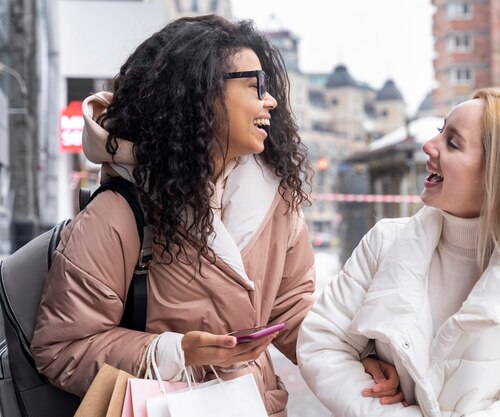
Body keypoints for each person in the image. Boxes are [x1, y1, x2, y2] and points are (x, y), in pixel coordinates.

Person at [31, 15, 402, 416]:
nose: (271, 100)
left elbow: (293, 311)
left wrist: (353, 356)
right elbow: (61, 347)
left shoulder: (276, 203)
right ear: (198, 93)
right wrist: (175, 353)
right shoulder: (119, 212)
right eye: (255, 84)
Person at [297, 88, 500, 417]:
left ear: (497, 175)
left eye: (452, 142)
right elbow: (322, 342)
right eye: (440, 131)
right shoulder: (384, 243)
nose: (429, 146)